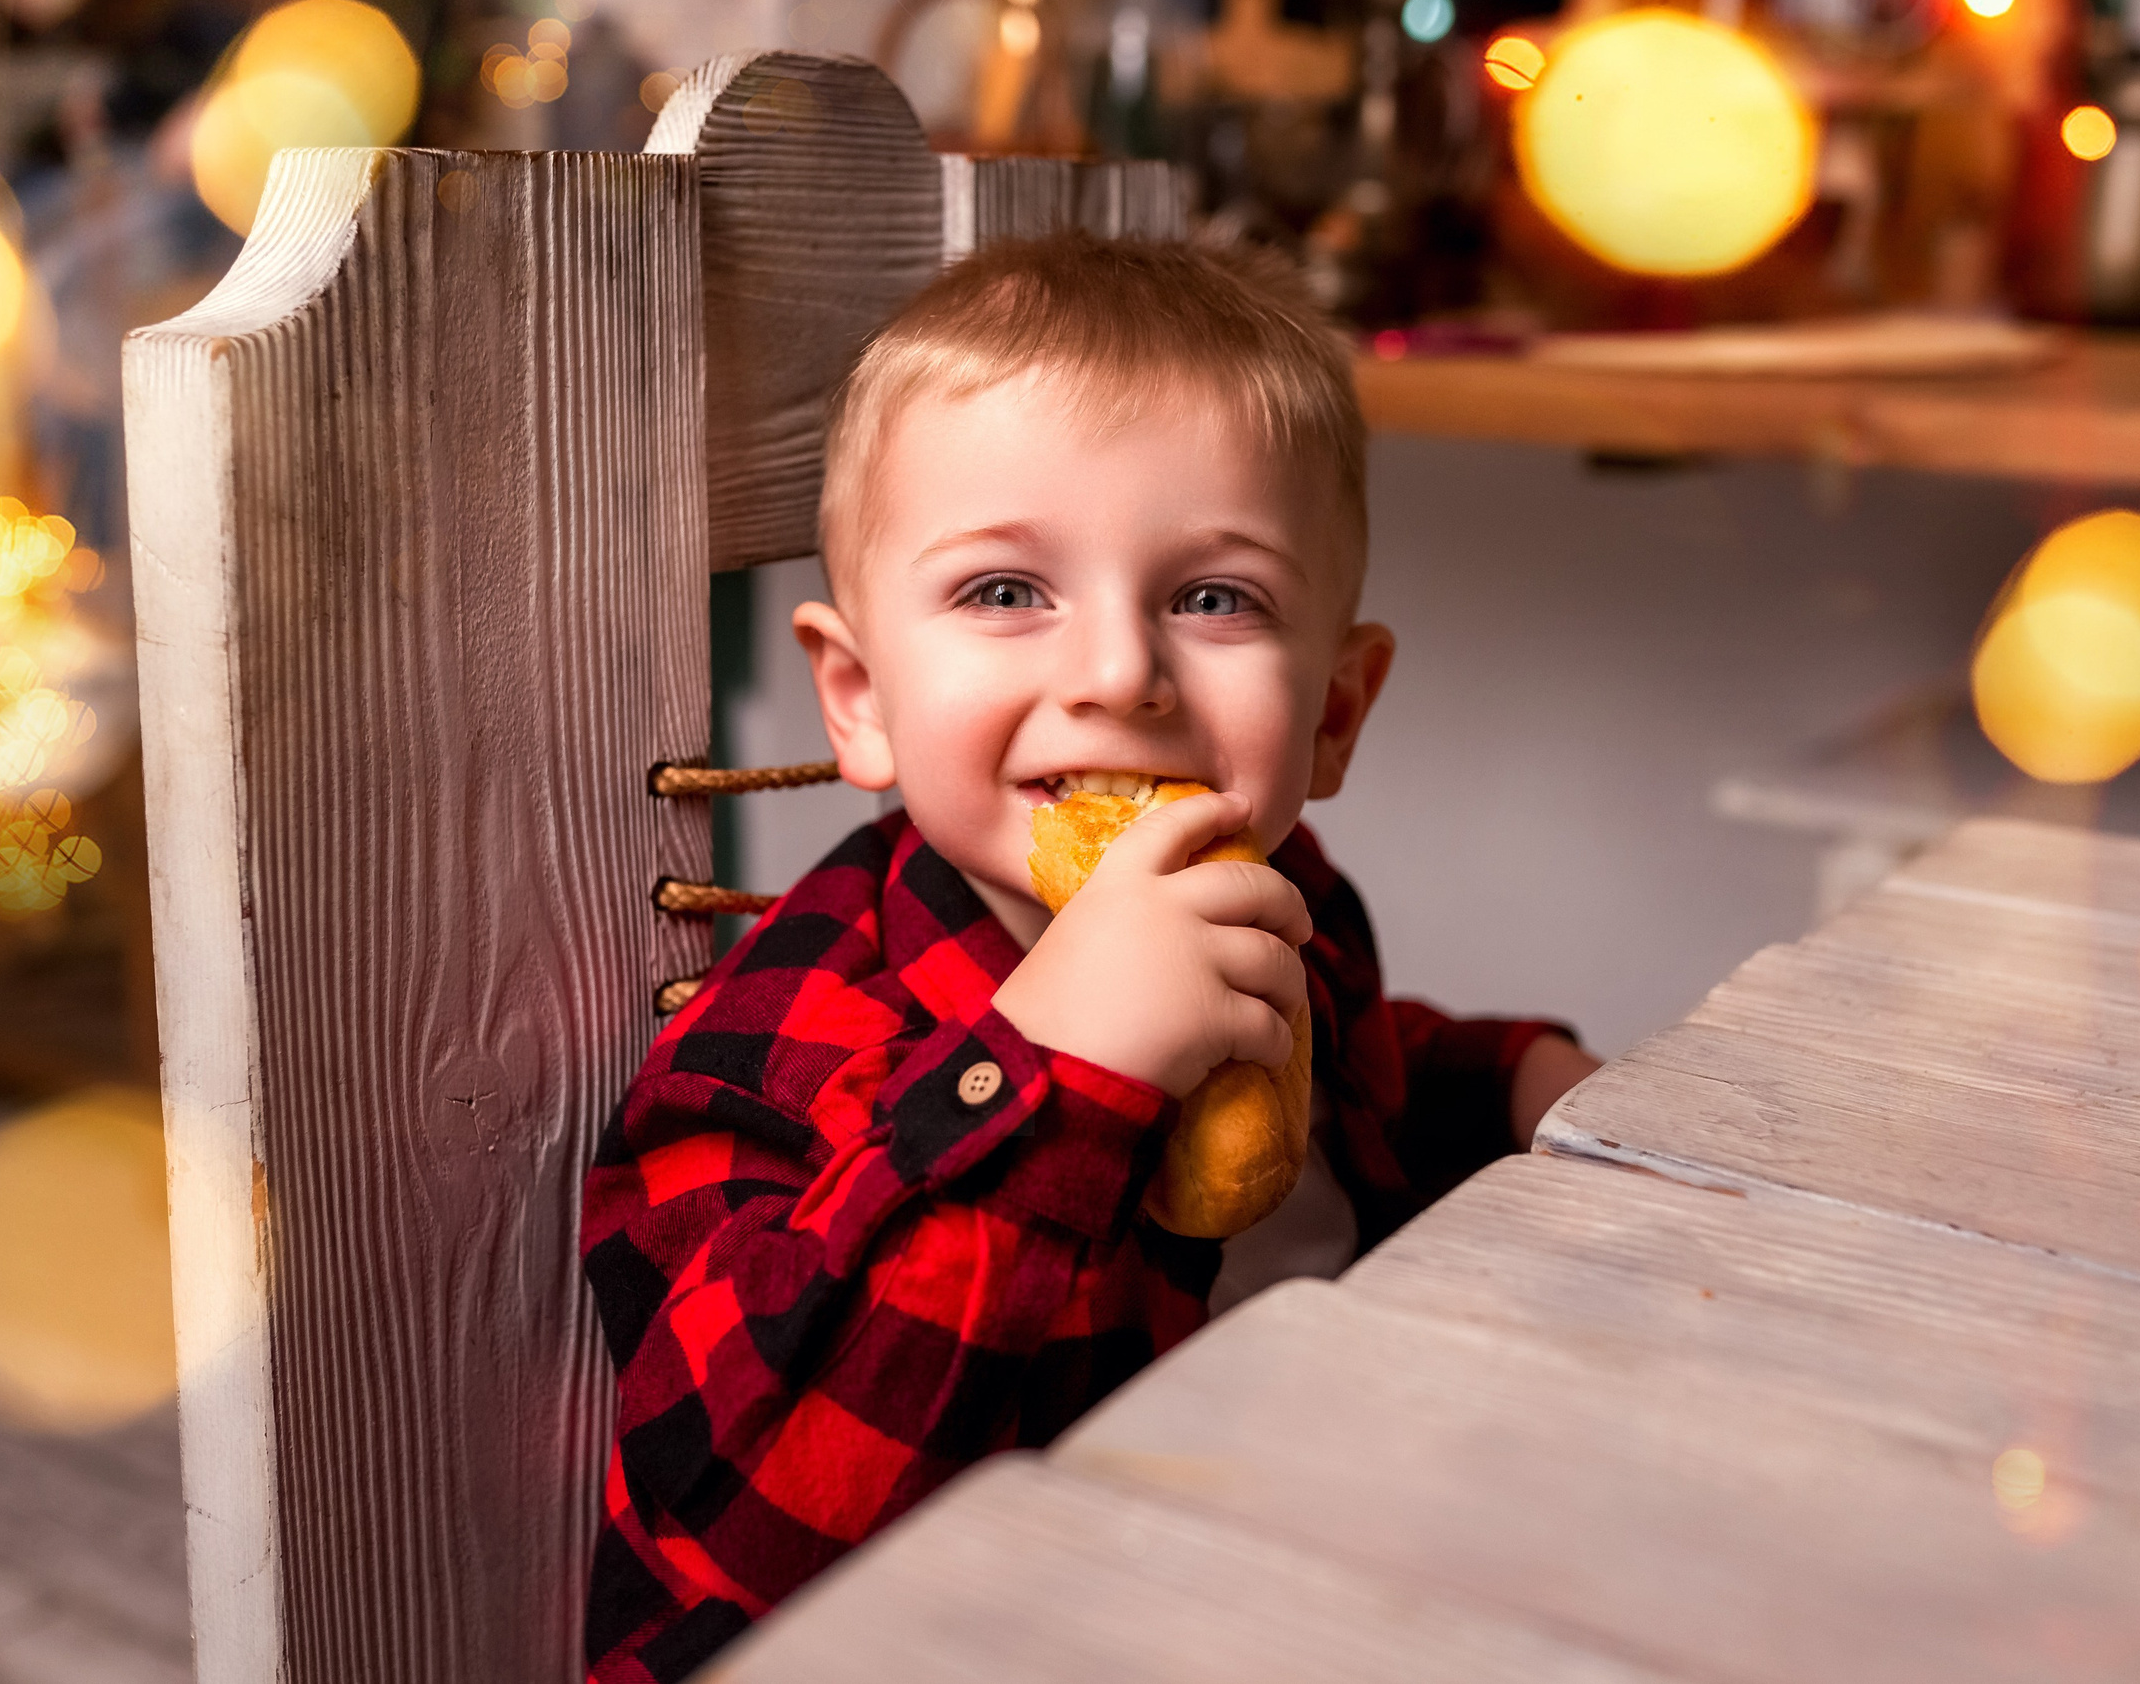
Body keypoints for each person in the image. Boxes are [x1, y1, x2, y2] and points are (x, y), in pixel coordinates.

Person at [579, 233, 1599, 1681]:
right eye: (1005, 591)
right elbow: (753, 1510)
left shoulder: (1282, 896)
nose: (1119, 670)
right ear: (859, 697)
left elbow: (1359, 1077)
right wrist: (1060, 1070)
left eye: (1214, 597)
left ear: (1333, 715)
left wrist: (1511, 1078)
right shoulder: (780, 1041)